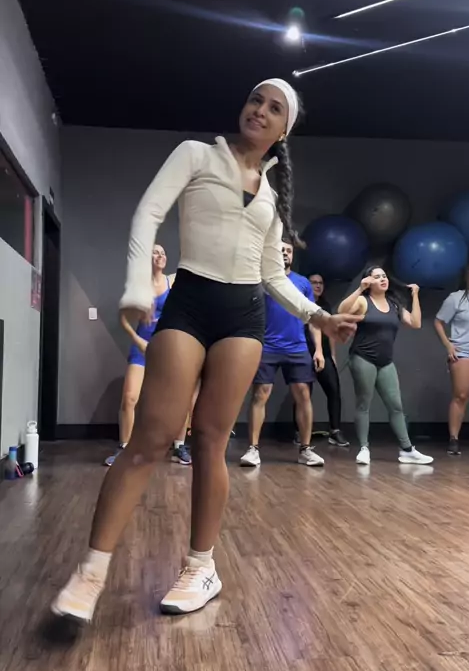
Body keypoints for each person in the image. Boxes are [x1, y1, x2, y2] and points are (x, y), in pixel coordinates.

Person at [52, 78, 359, 623]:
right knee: (151, 438)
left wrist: (320, 317)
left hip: (243, 317)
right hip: (189, 303)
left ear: (284, 130)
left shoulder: (270, 195)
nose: (259, 110)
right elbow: (147, 215)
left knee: (212, 442)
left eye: (274, 108)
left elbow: (272, 275)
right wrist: (136, 287)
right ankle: (91, 572)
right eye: (255, 100)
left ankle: (201, 568)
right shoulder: (196, 154)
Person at [104, 245, 192, 466]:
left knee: (181, 399)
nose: (160, 255)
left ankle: (179, 446)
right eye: (155, 252)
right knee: (130, 398)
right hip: (142, 348)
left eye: (163, 252)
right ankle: (124, 448)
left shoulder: (173, 281)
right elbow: (123, 318)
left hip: (168, 348)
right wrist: (138, 341)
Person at [240, 241, 324, 468]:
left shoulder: (303, 283)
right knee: (260, 394)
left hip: (297, 347)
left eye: (288, 251)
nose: (285, 253)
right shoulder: (262, 281)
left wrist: (318, 349)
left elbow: (313, 318)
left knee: (303, 395)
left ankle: (305, 450)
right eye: (281, 250)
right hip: (267, 346)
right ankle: (253, 449)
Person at [339, 266, 433, 466]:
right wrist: (359, 289)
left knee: (396, 406)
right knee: (364, 404)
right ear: (368, 281)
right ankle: (364, 448)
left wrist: (415, 295)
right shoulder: (363, 301)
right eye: (377, 277)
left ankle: (407, 450)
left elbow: (415, 323)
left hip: (385, 362)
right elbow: (342, 311)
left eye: (384, 276)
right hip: (363, 358)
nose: (382, 279)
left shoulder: (394, 304)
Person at [293, 273, 349, 448]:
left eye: (320, 283)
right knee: (303, 394)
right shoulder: (300, 304)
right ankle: (300, 433)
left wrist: (332, 355)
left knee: (334, 391)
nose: (318, 285)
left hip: (323, 354)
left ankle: (335, 431)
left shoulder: (325, 306)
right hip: (303, 353)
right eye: (314, 283)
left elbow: (330, 332)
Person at [434, 261, 469, 455]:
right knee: (461, 396)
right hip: (464, 353)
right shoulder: (456, 298)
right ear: (467, 275)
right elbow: (438, 322)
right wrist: (448, 345)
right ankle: (454, 439)